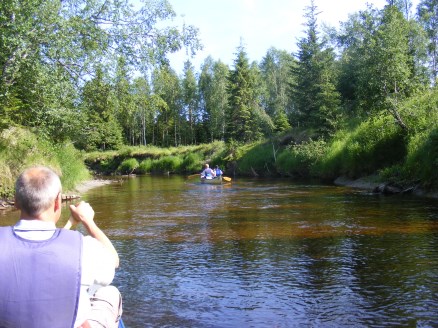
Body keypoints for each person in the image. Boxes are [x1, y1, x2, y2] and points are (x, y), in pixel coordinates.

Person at [0, 166, 122, 328]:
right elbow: (113, 260)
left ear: (15, 201)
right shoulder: (83, 248)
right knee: (109, 292)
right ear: (58, 202)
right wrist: (87, 221)